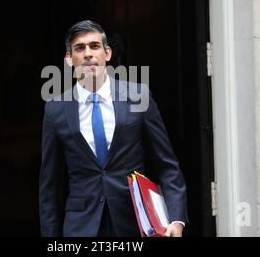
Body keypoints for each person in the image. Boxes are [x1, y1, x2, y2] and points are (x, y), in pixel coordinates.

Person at [39, 20, 188, 237]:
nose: (88, 53)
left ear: (107, 53)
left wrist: (176, 218)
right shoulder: (55, 109)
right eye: (80, 48)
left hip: (135, 223)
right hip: (81, 227)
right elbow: (49, 186)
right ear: (69, 59)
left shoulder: (138, 97)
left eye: (95, 46)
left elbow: (167, 164)